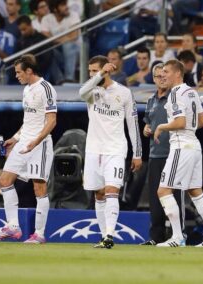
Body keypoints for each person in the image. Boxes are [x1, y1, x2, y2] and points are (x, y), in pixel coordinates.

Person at [0, 54, 57, 244]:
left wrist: (36, 141)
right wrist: (15, 138)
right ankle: (13, 226)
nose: (17, 76)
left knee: (39, 187)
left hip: (41, 144)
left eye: (19, 72)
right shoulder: (27, 90)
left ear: (29, 71)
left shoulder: (46, 88)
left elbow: (52, 121)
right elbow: (27, 121)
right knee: (4, 181)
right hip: (23, 143)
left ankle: (39, 233)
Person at [153, 59, 203, 247]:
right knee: (195, 191)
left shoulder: (174, 94)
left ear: (177, 74)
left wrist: (161, 126)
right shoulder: (192, 92)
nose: (162, 75)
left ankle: (177, 237)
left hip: (181, 145)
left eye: (166, 71)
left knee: (163, 190)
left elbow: (180, 122)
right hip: (195, 145)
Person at [79, 55, 142, 249]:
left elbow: (133, 124)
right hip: (93, 150)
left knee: (112, 190)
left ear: (108, 69)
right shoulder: (91, 91)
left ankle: (109, 236)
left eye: (94, 70)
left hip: (115, 149)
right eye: (89, 71)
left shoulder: (123, 92)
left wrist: (137, 153)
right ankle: (103, 234)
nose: (91, 74)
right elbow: (81, 93)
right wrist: (99, 74)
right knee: (98, 194)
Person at [141, 63, 184, 245]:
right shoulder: (151, 101)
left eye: (164, 75)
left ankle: (179, 234)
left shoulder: (175, 98)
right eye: (158, 76)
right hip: (155, 154)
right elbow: (147, 122)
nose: (161, 78)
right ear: (153, 78)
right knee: (155, 198)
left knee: (175, 195)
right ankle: (156, 237)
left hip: (173, 152)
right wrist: (146, 128)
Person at [41, 0, 80, 82]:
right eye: (63, 5)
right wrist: (65, 38)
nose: (67, 7)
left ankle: (69, 78)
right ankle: (60, 80)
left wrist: (55, 39)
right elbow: (46, 39)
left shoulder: (74, 15)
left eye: (66, 4)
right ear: (55, 9)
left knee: (68, 45)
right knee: (47, 51)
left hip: (77, 53)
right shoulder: (46, 19)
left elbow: (73, 37)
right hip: (59, 53)